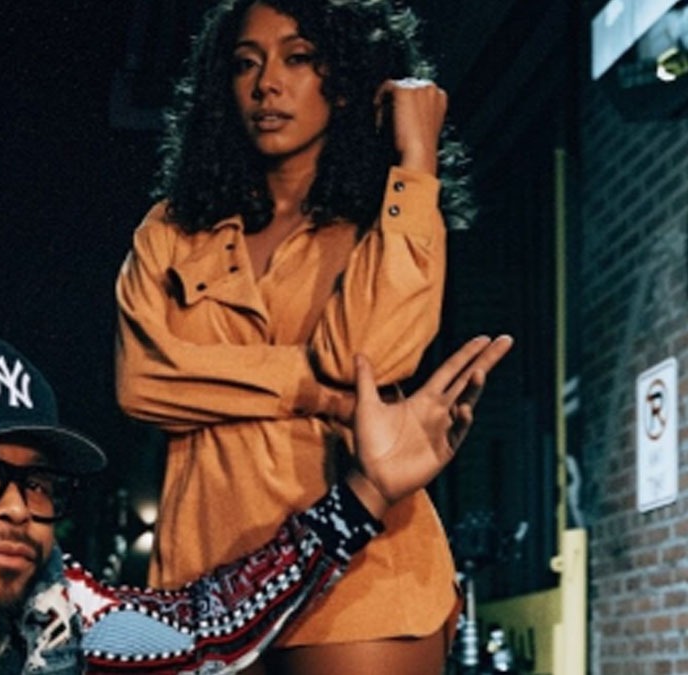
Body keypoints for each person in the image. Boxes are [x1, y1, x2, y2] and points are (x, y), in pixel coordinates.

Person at [0, 334, 510, 675]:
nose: (15, 510)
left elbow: (201, 628)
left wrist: (366, 493)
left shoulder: (45, 604)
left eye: (37, 484)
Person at [113, 1, 473, 672]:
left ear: (347, 79)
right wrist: (318, 392)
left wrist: (417, 160)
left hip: (364, 574)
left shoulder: (382, 216)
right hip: (204, 578)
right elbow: (142, 381)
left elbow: (367, 357)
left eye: (298, 58)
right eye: (245, 64)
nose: (266, 84)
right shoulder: (170, 230)